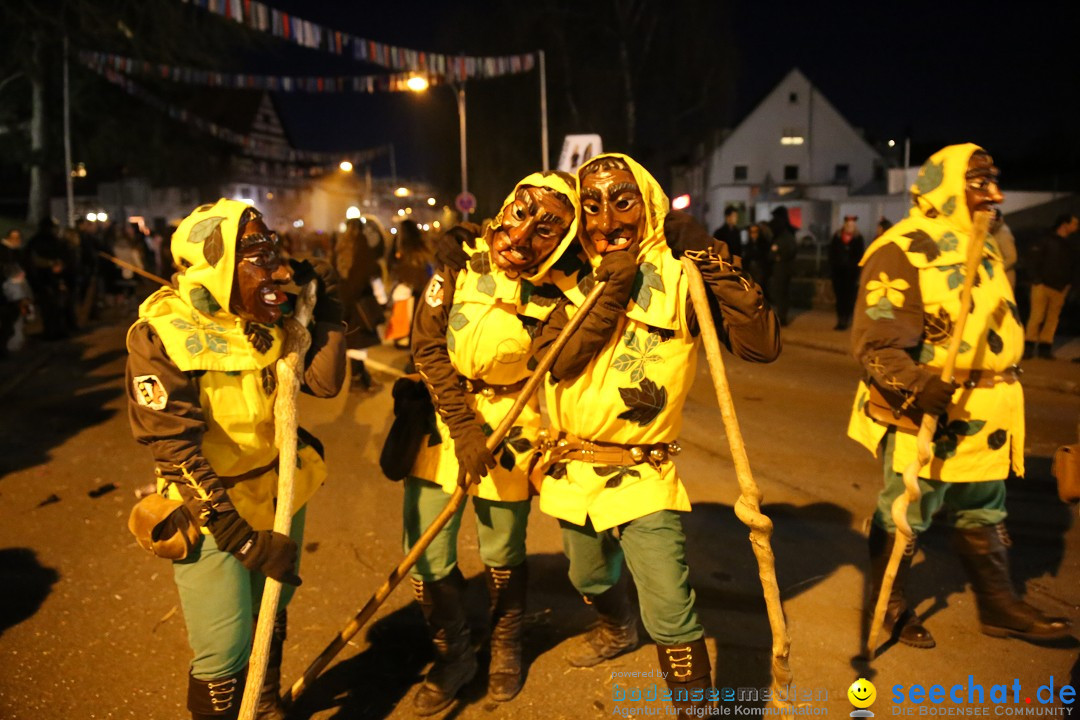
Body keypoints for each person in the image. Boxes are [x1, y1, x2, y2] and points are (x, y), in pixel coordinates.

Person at [534, 154, 780, 717]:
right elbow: (553, 361)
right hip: (572, 465)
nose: (605, 219)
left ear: (648, 205)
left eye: (622, 201)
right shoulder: (567, 276)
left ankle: (698, 710)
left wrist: (709, 254)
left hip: (644, 472)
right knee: (586, 574)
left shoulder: (682, 277)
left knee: (669, 606)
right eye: (590, 205)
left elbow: (761, 344)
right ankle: (615, 623)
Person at [124, 199, 345, 720]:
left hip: (281, 491)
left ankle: (263, 704)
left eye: (274, 250)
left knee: (273, 609)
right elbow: (173, 447)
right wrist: (240, 537)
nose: (279, 268)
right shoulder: (160, 334)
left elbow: (324, 383)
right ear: (215, 266)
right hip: (211, 510)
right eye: (256, 254)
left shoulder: (270, 314)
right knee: (222, 647)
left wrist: (327, 309)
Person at [847, 144, 1070, 651]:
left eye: (995, 181)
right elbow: (875, 341)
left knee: (984, 510)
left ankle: (997, 606)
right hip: (930, 412)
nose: (996, 194)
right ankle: (889, 605)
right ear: (947, 186)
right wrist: (918, 385)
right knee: (908, 510)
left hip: (987, 414)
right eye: (979, 183)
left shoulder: (984, 245)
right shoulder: (904, 248)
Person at [405, 172, 580, 715]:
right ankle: (454, 653)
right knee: (426, 555)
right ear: (504, 206)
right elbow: (427, 346)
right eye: (521, 211)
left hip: (513, 426)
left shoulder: (559, 291)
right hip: (441, 420)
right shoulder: (460, 260)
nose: (524, 233)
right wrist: (461, 427)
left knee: (502, 551)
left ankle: (506, 645)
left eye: (547, 228)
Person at [332, 218, 385, 390]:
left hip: (343, 302)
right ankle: (357, 379)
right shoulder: (362, 247)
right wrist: (382, 299)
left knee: (353, 341)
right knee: (359, 341)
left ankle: (360, 376)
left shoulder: (339, 249)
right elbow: (372, 273)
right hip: (360, 303)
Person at [1023, 213, 1077, 359]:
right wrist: (1037, 280)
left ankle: (1044, 347)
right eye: (1074, 223)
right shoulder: (1047, 241)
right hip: (1043, 285)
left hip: (1059, 287)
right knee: (1037, 317)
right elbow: (1033, 261)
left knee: (1051, 319)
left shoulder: (1068, 244)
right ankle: (1030, 345)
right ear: (1064, 224)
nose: (1076, 227)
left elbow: (1072, 267)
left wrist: (1068, 285)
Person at [829, 215, 865, 330]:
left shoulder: (858, 238)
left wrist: (856, 269)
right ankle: (840, 319)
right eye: (848, 224)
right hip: (838, 273)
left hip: (851, 274)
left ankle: (846, 319)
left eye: (852, 224)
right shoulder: (837, 236)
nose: (850, 226)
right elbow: (831, 253)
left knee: (849, 298)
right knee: (839, 297)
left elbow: (860, 255)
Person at [1, 228, 33, 356]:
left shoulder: (16, 252)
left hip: (15, 292)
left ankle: (11, 345)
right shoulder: (4, 252)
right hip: (7, 293)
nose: (18, 241)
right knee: (8, 321)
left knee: (15, 319)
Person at [767, 206, 797, 326]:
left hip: (784, 269)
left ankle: (782, 316)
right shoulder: (780, 234)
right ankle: (781, 315)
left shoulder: (786, 235)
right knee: (779, 292)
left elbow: (789, 251)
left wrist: (778, 256)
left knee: (782, 293)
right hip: (780, 268)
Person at [990, 210, 1017, 288]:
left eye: (992, 221)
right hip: (1000, 277)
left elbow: (1012, 258)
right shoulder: (995, 232)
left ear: (999, 220)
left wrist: (996, 271)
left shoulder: (1003, 233)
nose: (989, 224)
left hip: (1006, 277)